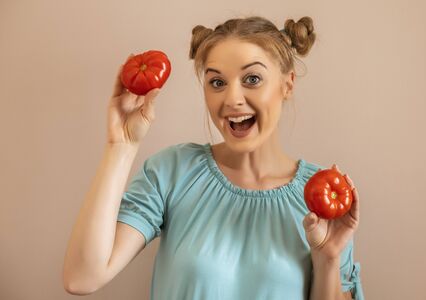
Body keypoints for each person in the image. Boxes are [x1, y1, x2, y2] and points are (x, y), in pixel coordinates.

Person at [63, 15, 364, 300]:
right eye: (217, 82)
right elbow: (82, 277)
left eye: (252, 79)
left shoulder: (324, 198)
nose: (232, 99)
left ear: (287, 84)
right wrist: (122, 145)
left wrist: (328, 259)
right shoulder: (172, 172)